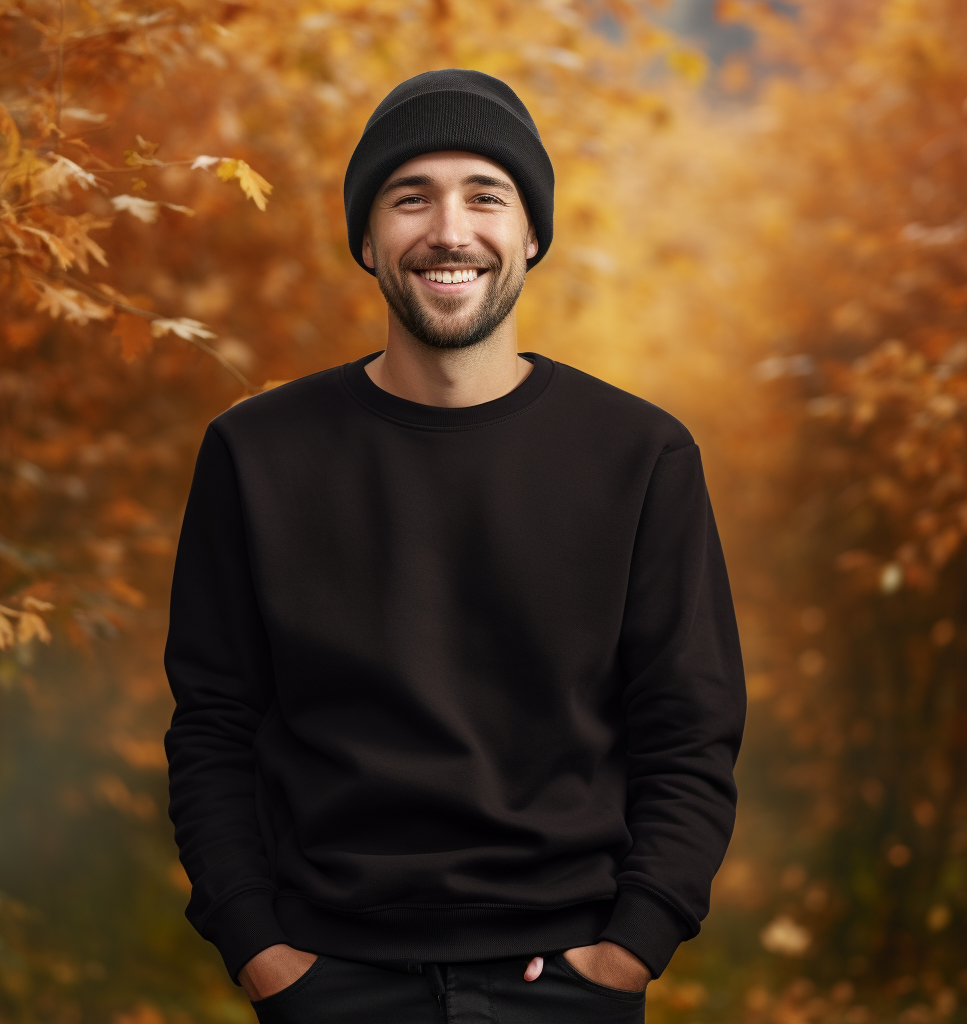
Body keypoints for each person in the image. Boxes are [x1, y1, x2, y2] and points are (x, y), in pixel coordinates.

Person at [164, 69, 745, 1024]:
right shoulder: (255, 453)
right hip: (328, 979)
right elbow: (215, 723)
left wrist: (635, 944)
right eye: (410, 197)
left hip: (569, 983)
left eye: (486, 195)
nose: (449, 229)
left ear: (532, 234)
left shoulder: (640, 455)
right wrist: (257, 946)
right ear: (366, 238)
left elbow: (689, 725)